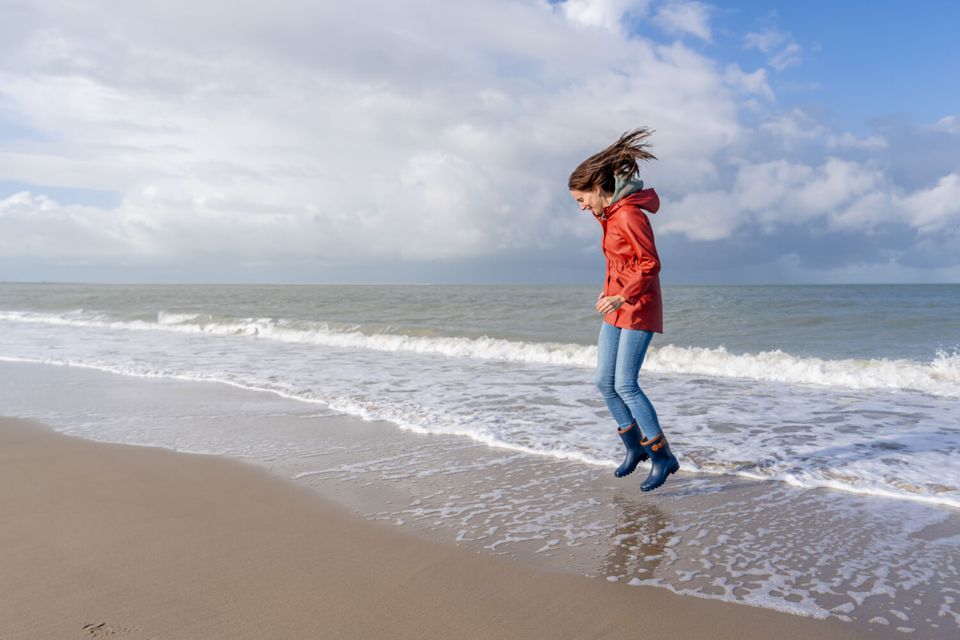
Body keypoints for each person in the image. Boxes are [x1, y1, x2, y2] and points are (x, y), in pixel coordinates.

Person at [568, 128, 679, 492]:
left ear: (599, 188)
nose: (581, 206)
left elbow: (650, 264)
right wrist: (609, 291)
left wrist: (622, 295)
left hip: (639, 306)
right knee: (604, 382)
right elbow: (621, 262)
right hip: (617, 305)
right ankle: (635, 449)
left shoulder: (630, 215)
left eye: (582, 199)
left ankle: (663, 455)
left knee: (626, 385)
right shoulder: (609, 216)